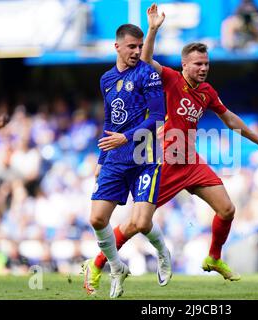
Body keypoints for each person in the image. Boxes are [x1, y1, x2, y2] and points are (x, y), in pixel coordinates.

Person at [84, 3, 258, 294]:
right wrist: (153, 29)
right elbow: (147, 59)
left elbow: (229, 118)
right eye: (198, 64)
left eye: (207, 64)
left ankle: (214, 257)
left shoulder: (207, 92)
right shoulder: (169, 78)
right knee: (138, 223)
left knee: (227, 209)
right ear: (184, 65)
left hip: (189, 160)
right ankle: (98, 263)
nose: (204, 69)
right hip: (163, 160)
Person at [83, 23, 166, 298]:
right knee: (96, 218)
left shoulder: (148, 74)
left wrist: (125, 138)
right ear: (116, 46)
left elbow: (157, 118)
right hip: (115, 158)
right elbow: (109, 121)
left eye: (140, 47)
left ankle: (163, 252)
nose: (137, 51)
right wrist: (101, 158)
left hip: (145, 155)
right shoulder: (105, 79)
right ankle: (117, 267)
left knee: (141, 223)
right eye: (132, 46)